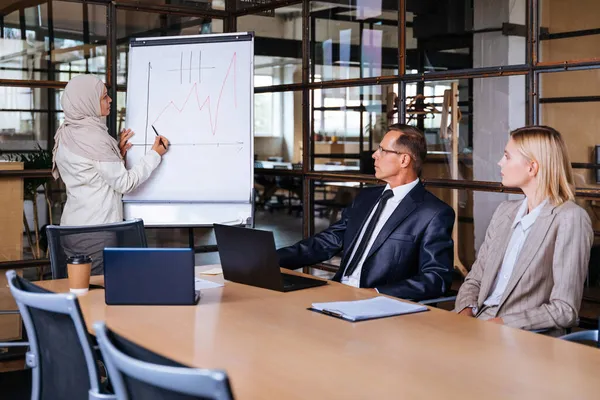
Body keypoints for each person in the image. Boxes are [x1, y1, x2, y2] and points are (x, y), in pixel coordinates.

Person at [276, 124, 455, 301]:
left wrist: (376, 293)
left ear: (404, 160)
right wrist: (269, 260)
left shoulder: (433, 213)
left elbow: (436, 278)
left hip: (378, 306)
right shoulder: (366, 198)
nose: (374, 155)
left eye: (382, 150)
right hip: (336, 293)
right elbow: (326, 242)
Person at [454, 126, 593, 336]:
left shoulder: (569, 218)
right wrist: (464, 314)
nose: (500, 162)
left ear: (532, 167)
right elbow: (475, 279)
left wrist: (500, 324)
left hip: (523, 337)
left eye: (507, 156)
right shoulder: (504, 212)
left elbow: (565, 309)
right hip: (477, 327)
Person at [51, 74, 169, 274]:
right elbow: (125, 184)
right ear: (87, 101)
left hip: (70, 229)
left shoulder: (66, 134)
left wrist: (116, 153)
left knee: (80, 289)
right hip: (95, 233)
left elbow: (89, 174)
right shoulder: (95, 139)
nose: (110, 100)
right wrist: (154, 154)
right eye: (104, 96)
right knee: (97, 296)